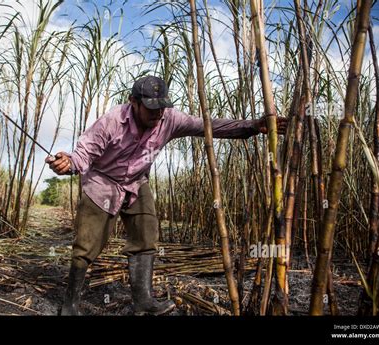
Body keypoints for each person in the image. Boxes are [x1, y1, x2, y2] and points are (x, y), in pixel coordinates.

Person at [46, 76, 288, 316]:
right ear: (133, 102)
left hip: (136, 183)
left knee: (146, 237)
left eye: (162, 107)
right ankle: (70, 305)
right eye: (151, 108)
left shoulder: (170, 120)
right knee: (87, 245)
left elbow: (209, 125)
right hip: (102, 183)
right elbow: (84, 153)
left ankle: (143, 301)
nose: (157, 114)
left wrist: (254, 127)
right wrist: (68, 163)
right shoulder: (112, 121)